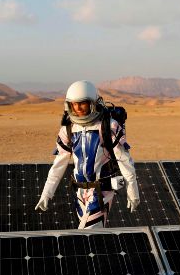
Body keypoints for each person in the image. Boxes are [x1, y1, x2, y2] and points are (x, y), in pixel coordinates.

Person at [35, 80, 140, 228]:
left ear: (93, 103)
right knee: (89, 238)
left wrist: (133, 192)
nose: (78, 108)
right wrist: (47, 193)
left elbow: (125, 161)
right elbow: (58, 165)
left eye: (82, 103)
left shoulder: (108, 126)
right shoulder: (68, 129)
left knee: (87, 233)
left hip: (101, 192)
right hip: (79, 193)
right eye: (74, 104)